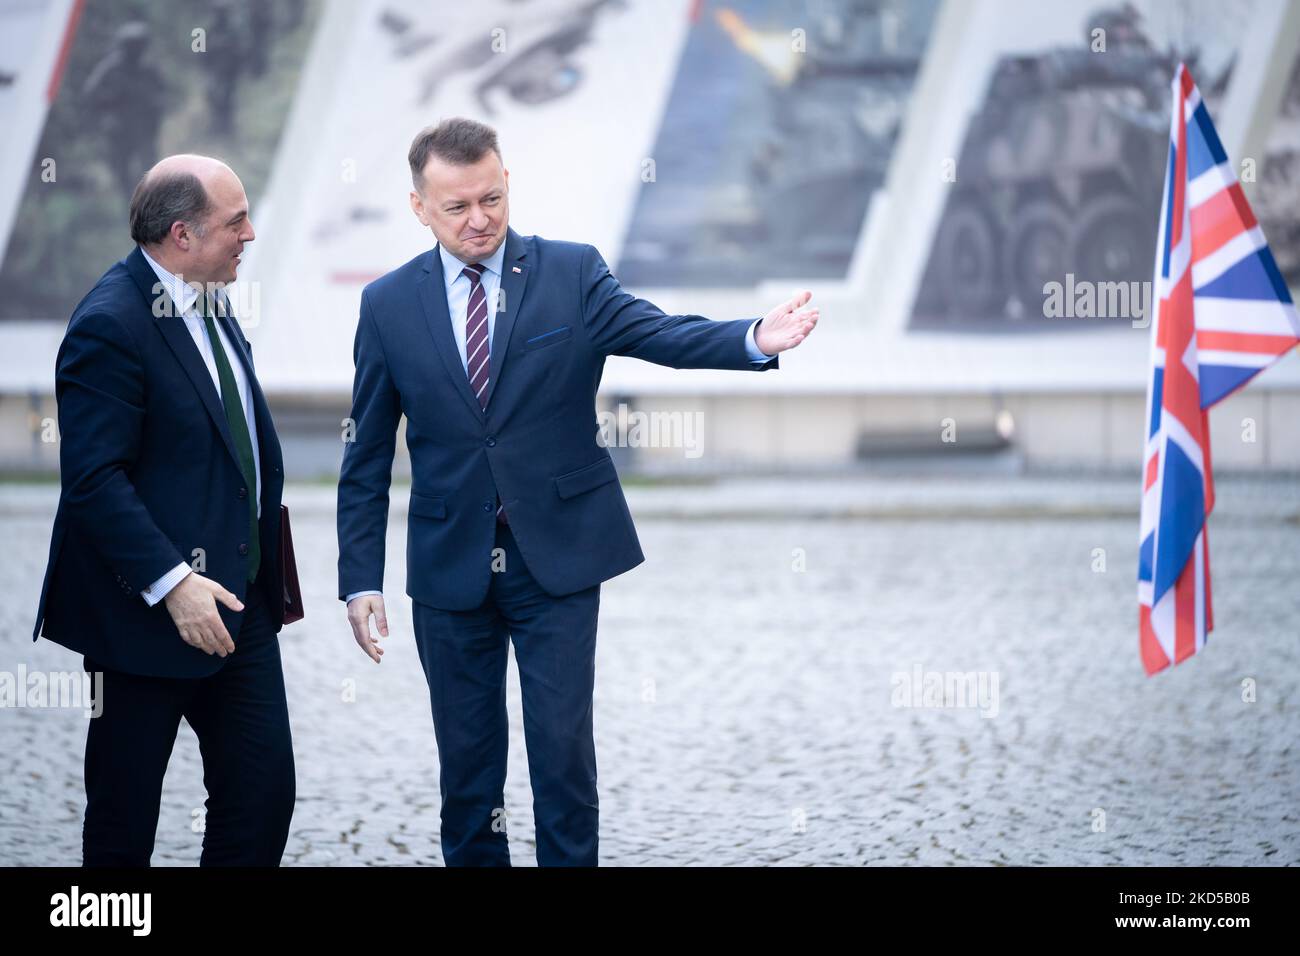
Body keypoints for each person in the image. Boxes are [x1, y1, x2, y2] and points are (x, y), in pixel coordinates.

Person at [337, 117, 818, 866]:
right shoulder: (387, 304)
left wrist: (753, 338)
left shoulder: (570, 272)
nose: (480, 220)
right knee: (468, 774)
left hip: (554, 562)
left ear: (506, 185)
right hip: (447, 569)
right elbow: (364, 455)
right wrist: (359, 579)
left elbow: (661, 334)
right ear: (419, 208)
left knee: (563, 759)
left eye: (491, 199)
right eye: (458, 206)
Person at [32, 154, 296, 866]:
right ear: (182, 234)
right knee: (124, 821)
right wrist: (174, 584)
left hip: (240, 612)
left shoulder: (210, 296)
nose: (249, 233)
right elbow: (93, 481)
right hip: (142, 620)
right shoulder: (110, 324)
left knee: (261, 800)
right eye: (235, 221)